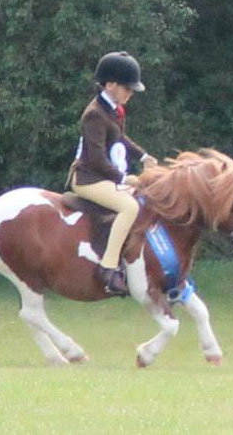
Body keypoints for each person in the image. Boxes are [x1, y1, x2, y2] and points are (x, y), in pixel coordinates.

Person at [67, 51, 158, 296]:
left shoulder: (114, 110)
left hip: (101, 177)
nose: (130, 94)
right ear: (110, 85)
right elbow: (96, 158)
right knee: (130, 207)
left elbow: (120, 138)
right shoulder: (94, 114)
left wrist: (143, 156)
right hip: (88, 179)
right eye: (127, 89)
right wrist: (122, 178)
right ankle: (108, 268)